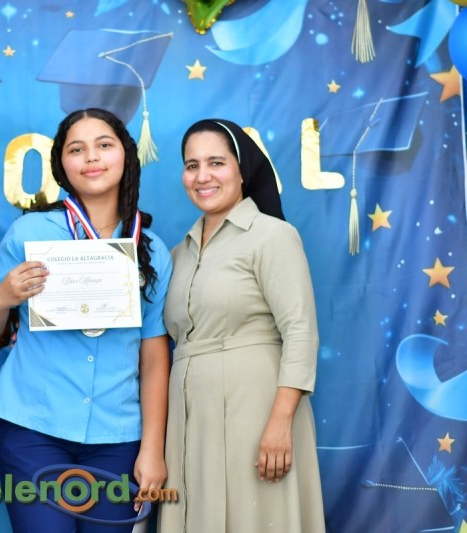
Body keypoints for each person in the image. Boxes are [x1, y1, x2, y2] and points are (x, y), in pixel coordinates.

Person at [0, 108, 171, 531]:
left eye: (104, 145)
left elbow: (154, 355)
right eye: (76, 149)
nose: (91, 157)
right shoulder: (29, 233)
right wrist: (3, 298)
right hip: (33, 431)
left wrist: (152, 448)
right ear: (61, 164)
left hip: (118, 439)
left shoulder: (152, 249)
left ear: (126, 155)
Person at [158, 119, 325, 532]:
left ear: (241, 170)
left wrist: (280, 423)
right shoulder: (178, 254)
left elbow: (300, 331)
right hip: (190, 419)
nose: (203, 176)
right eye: (192, 165)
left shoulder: (272, 236)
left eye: (216, 162)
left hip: (257, 411)